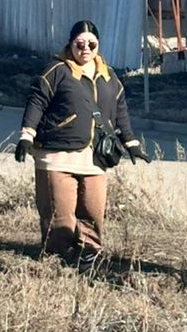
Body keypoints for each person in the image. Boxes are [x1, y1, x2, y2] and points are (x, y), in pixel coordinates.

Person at [15, 20, 148, 267]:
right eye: (80, 44)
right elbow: (36, 102)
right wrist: (26, 135)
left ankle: (89, 260)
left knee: (93, 213)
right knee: (60, 218)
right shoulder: (55, 71)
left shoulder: (108, 75)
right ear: (70, 44)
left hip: (95, 157)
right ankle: (58, 262)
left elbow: (119, 110)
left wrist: (130, 142)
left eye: (91, 44)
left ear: (98, 45)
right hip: (57, 158)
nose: (86, 49)